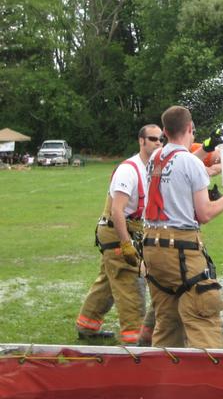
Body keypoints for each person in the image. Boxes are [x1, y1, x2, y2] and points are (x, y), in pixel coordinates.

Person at [143, 106, 223, 348]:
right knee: (204, 316)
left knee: (167, 323)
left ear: (164, 131)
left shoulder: (156, 157)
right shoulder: (188, 163)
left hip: (152, 249)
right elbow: (205, 213)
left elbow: (181, 162)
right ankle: (212, 378)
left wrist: (207, 146)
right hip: (181, 250)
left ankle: (162, 378)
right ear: (190, 128)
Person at [76, 124, 163, 344]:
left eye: (161, 140)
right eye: (153, 139)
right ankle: (135, 340)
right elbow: (117, 211)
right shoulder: (128, 169)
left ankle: (87, 325)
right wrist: (126, 245)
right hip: (117, 230)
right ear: (141, 141)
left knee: (107, 282)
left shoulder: (152, 167)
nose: (158, 143)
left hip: (130, 229)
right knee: (129, 284)